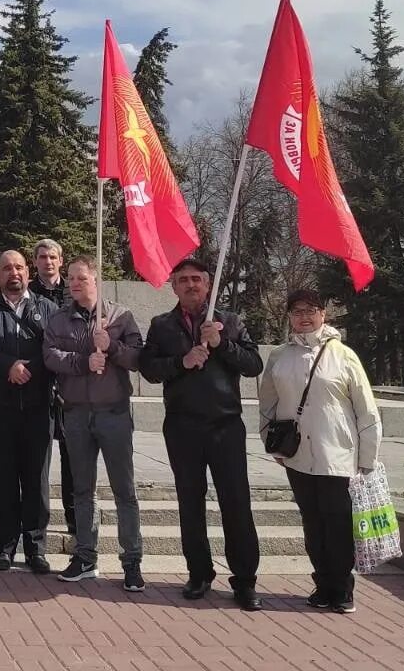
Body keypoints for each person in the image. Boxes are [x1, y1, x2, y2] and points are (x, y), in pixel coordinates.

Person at [139, 257, 265, 611]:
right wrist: (182, 362)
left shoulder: (230, 321)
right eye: (183, 280)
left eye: (197, 279)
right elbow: (148, 369)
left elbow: (254, 365)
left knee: (236, 503)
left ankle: (245, 581)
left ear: (208, 284)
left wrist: (222, 344)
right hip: (182, 427)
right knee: (189, 503)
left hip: (225, 427)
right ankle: (199, 573)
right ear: (174, 286)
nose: (191, 285)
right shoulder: (162, 325)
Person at [258, 289, 382, 614]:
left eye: (311, 310)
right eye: (297, 311)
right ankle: (322, 584)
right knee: (311, 522)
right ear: (289, 317)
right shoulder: (279, 356)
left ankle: (342, 588)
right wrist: (270, 441)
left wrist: (367, 458)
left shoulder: (343, 355)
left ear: (323, 314)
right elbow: (267, 404)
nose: (304, 316)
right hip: (297, 455)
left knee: (337, 522)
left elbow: (366, 411)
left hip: (337, 455)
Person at [43, 256, 146, 591]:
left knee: (124, 491)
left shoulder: (121, 316)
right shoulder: (59, 319)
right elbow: (50, 357)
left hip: (113, 413)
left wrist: (112, 346)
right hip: (75, 413)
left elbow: (137, 358)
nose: (74, 283)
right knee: (82, 490)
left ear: (96, 279)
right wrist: (83, 361)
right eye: (71, 278)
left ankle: (132, 561)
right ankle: (85, 556)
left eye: (81, 278)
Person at [0, 249, 57, 574]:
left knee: (37, 480)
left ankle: (36, 549)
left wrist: (27, 368)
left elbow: (55, 348)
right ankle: (4, 547)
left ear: (28, 272)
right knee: (3, 480)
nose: (13, 273)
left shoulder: (47, 308)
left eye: (19, 267)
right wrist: (9, 366)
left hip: (37, 408)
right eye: (6, 268)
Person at [29, 237, 74, 535]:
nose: (47, 261)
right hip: (39, 386)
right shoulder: (27, 293)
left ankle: (74, 522)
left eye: (52, 257)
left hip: (72, 387)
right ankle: (36, 524)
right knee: (39, 460)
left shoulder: (76, 291)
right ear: (35, 262)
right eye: (42, 257)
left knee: (74, 458)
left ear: (61, 260)